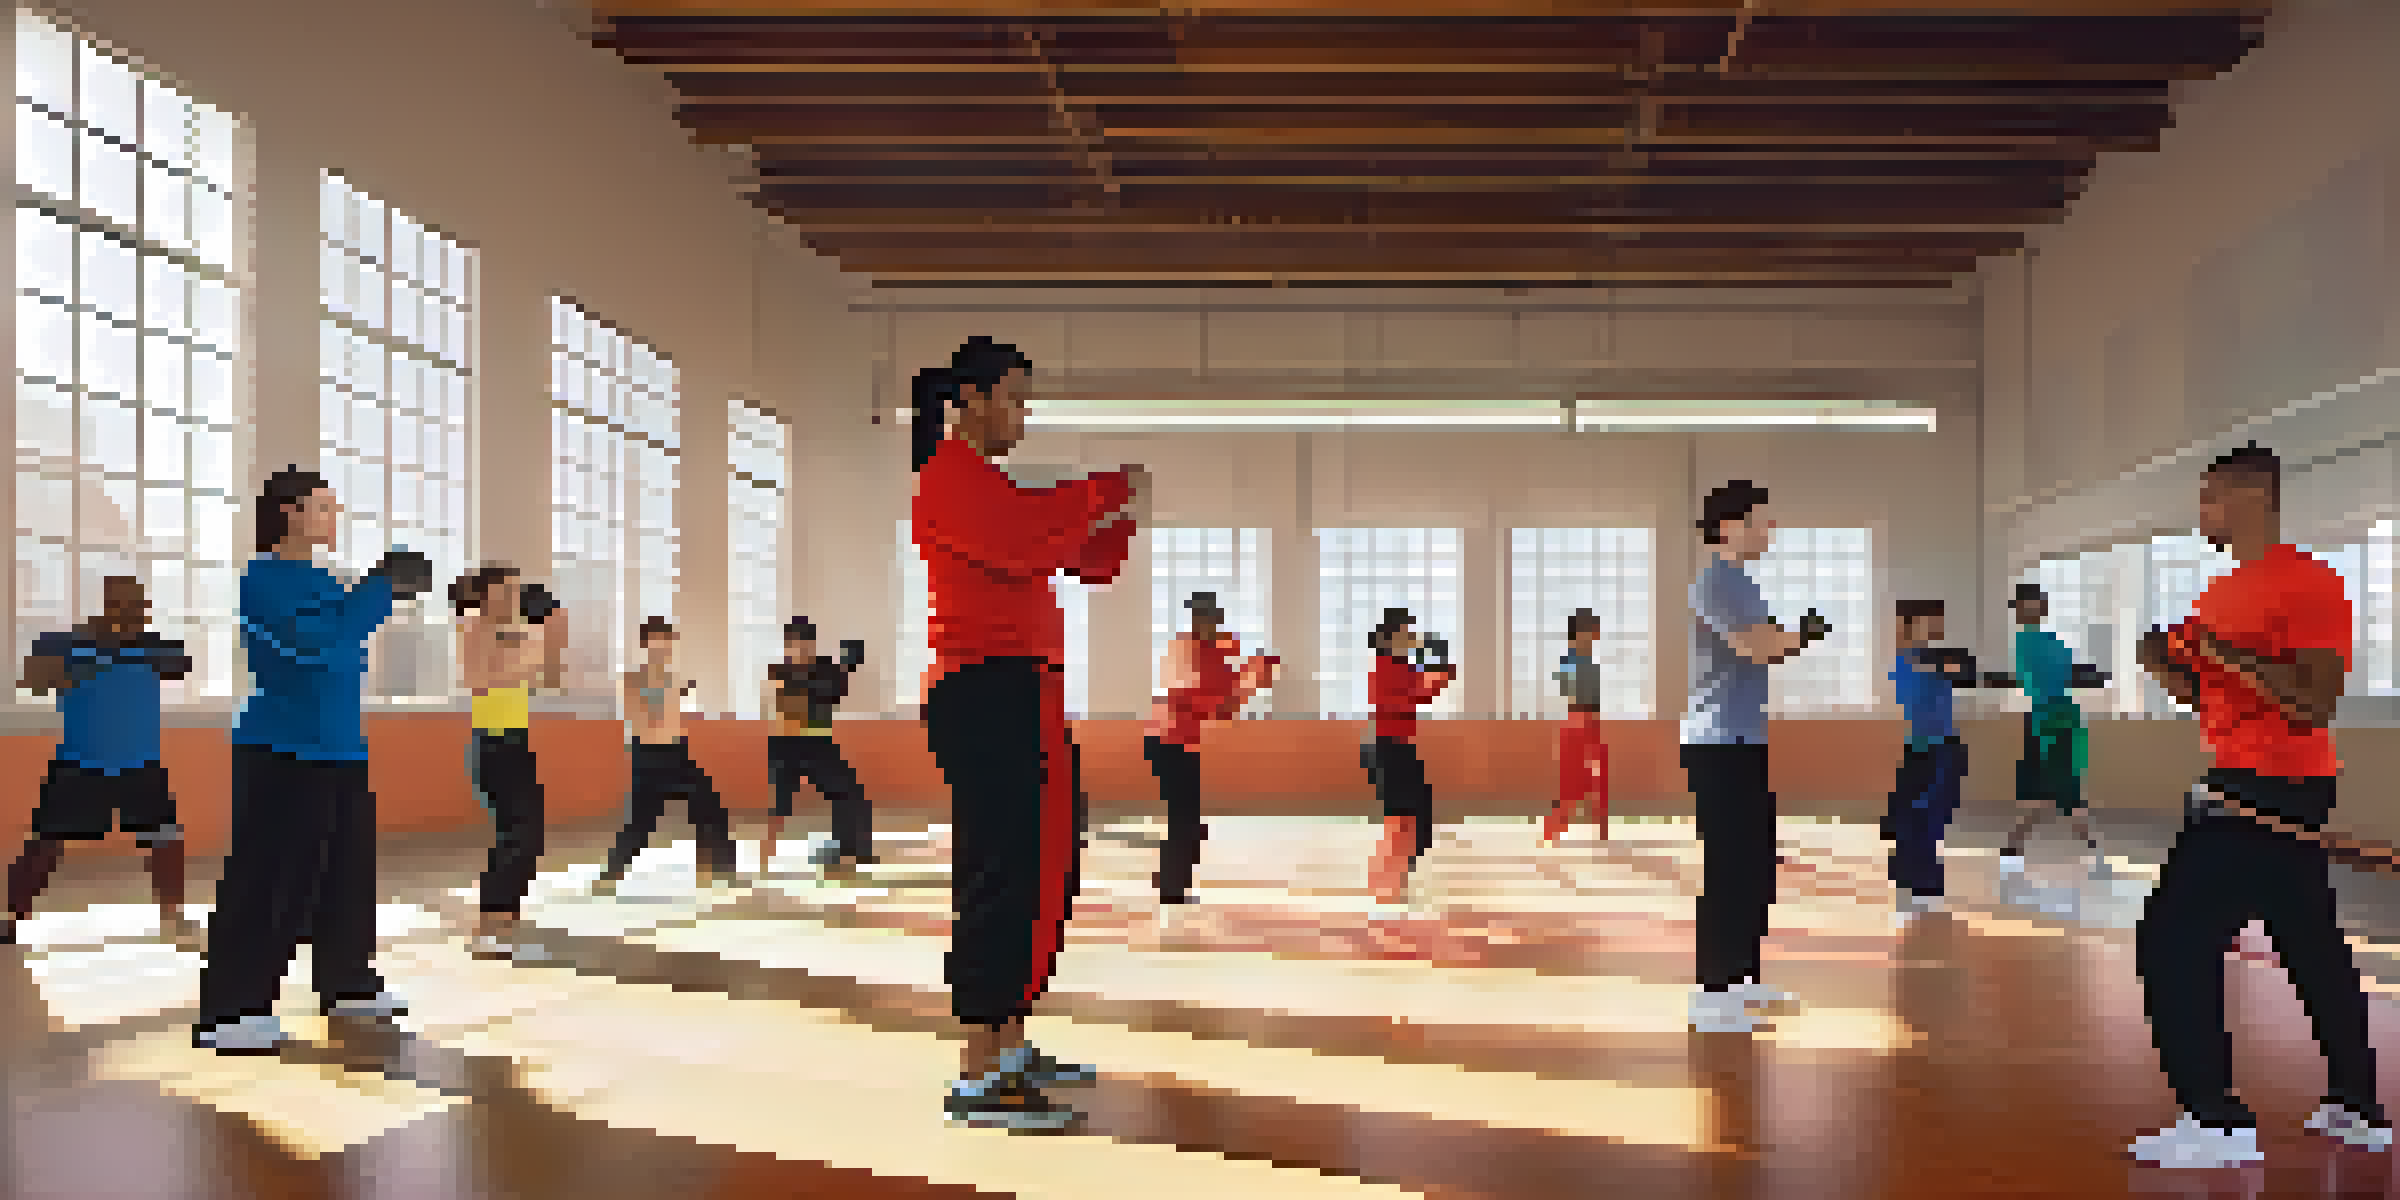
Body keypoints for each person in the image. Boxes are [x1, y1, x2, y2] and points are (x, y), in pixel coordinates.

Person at [2128, 444, 2389, 1168]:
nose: (2201, 513)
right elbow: (2203, 692)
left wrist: (2223, 652)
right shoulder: (2220, 592)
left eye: (2210, 498)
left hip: (2268, 787)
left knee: (2172, 938)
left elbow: (2312, 702)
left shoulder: (2307, 583)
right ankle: (2357, 1107)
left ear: (2251, 498)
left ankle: (2214, 1120)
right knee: (2309, 943)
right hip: (2245, 774)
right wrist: (2168, 665)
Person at [913, 335, 1145, 1133]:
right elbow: (1023, 539)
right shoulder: (950, 478)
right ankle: (980, 1075)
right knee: (1001, 872)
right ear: (967, 401)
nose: (1023, 411)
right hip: (986, 692)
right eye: (1013, 395)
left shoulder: (992, 486)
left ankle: (1010, 1040)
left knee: (1044, 868)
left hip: (1024, 694)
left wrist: (1115, 518)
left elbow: (1084, 561)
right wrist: (1103, 488)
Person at [193, 467, 426, 1054]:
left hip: (341, 746)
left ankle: (347, 982)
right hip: (282, 748)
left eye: (334, 507)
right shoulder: (266, 577)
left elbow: (343, 638)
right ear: (290, 512)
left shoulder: (322, 578)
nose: (333, 516)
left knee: (345, 875)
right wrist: (380, 588)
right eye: (323, 507)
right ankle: (230, 1012)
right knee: (269, 881)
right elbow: (316, 645)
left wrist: (375, 591)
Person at [1682, 480, 1828, 1035]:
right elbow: (1758, 647)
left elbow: (1767, 644)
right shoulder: (1716, 583)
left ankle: (1742, 976)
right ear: (1727, 528)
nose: (1769, 530)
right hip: (1716, 741)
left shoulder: (1742, 583)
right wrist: (1798, 636)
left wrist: (1791, 637)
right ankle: (1710, 993)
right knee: (1728, 866)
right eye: (1759, 522)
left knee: (1754, 862)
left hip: (1743, 737)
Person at [4, 577, 196, 948]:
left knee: (166, 838)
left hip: (141, 765)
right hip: (79, 763)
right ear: (106, 605)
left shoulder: (155, 648)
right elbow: (31, 678)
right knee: (45, 843)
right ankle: (11, 918)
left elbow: (181, 664)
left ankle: (172, 918)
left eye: (140, 607)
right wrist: (80, 661)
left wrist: (128, 647)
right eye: (126, 604)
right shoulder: (63, 644)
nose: (135, 613)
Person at [453, 565, 567, 960]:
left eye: (516, 591)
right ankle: (489, 930)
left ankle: (505, 927)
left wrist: (542, 639)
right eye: (506, 591)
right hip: (494, 744)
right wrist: (532, 647)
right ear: (484, 595)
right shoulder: (474, 625)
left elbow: (549, 676)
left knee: (526, 834)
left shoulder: (512, 631)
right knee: (518, 834)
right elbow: (484, 678)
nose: (513, 598)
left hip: (516, 742)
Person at [1143, 592, 1276, 906]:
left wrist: (1246, 679)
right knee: (1185, 817)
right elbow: (1212, 699)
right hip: (1170, 741)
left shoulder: (1202, 651)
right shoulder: (1192, 651)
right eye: (1204, 616)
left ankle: (1170, 880)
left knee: (1185, 816)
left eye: (1212, 616)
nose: (1210, 622)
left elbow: (1221, 705)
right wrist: (1249, 679)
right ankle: (1172, 888)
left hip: (1175, 741)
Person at [594, 618, 736, 896]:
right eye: (657, 641)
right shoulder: (633, 679)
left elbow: (674, 718)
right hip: (648, 757)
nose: (664, 647)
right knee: (641, 822)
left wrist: (678, 692)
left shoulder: (673, 678)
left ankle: (718, 869)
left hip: (676, 752)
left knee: (710, 805)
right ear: (646, 644)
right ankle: (609, 875)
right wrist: (670, 693)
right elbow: (644, 719)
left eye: (668, 641)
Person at [1996, 583, 2106, 881]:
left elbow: (2059, 675)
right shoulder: (2028, 641)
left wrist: (2087, 675)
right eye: (2021, 606)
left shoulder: (2047, 641)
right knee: (2046, 788)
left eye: (2033, 604)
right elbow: (2041, 678)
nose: (2027, 610)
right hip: (2047, 717)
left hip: (2058, 717)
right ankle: (2016, 846)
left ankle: (2017, 846)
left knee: (2059, 788)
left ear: (2040, 607)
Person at [1883, 600, 1975, 920]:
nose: (1939, 625)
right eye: (1931, 619)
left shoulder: (1933, 659)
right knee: (1919, 816)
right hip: (1926, 750)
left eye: (1940, 619)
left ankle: (1920, 885)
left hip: (1941, 747)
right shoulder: (1909, 660)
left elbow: (1967, 674)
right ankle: (1918, 884)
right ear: (1910, 624)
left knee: (1929, 816)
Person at [761, 618, 874, 876]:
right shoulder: (778, 671)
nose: (800, 649)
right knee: (779, 808)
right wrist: (834, 675)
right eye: (794, 644)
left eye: (804, 644)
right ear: (787, 646)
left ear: (811, 645)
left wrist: (845, 670)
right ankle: (763, 860)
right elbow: (794, 706)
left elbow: (834, 698)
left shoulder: (825, 667)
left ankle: (854, 852)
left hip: (820, 745)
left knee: (852, 794)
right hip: (785, 746)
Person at [1361, 609, 1458, 907]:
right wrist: (1435, 674)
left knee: (1416, 817)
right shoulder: (1385, 665)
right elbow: (1402, 700)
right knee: (1403, 819)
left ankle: (1395, 878)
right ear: (1391, 638)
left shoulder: (1401, 665)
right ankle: (1387, 883)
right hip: (1388, 748)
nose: (1413, 637)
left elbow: (1423, 694)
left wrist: (1439, 670)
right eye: (1407, 632)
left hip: (1399, 746)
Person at [1542, 608, 1610, 846]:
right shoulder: (1572, 659)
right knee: (1574, 782)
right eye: (1593, 629)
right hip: (1579, 721)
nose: (1596, 634)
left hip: (1589, 721)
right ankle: (1555, 828)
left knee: (1594, 779)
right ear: (1581, 632)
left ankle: (1599, 830)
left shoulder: (1584, 659)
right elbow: (1568, 688)